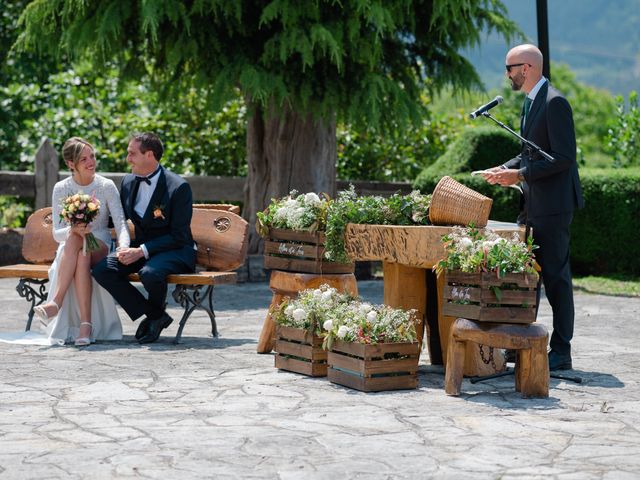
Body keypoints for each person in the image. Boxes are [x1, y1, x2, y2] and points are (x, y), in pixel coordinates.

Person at [481, 44, 584, 371]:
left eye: (509, 67)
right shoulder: (531, 102)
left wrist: (520, 174)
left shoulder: (555, 103)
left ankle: (561, 352)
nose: (507, 74)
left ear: (527, 68)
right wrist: (504, 169)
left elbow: (565, 159)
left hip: (553, 208)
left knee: (556, 278)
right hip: (532, 205)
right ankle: (520, 342)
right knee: (526, 278)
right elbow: (530, 153)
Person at [92, 132, 196, 344]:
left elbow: (179, 236)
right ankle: (156, 315)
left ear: (149, 155)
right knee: (103, 270)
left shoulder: (178, 187)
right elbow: (118, 218)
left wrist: (141, 251)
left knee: (150, 273)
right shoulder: (128, 181)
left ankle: (153, 318)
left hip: (175, 250)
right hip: (140, 249)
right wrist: (89, 216)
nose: (127, 158)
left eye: (132, 153)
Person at [30, 137, 130, 346]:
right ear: (70, 164)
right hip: (73, 247)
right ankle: (86, 324)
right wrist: (74, 228)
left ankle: (55, 303)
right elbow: (58, 233)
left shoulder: (106, 185)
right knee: (79, 248)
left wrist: (124, 246)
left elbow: (120, 222)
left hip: (100, 242)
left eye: (92, 156)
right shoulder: (61, 188)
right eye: (83, 159)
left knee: (80, 244)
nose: (90, 162)